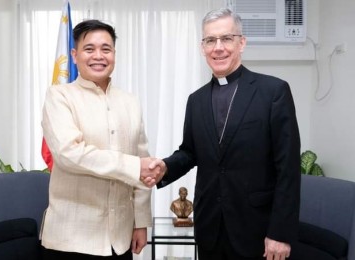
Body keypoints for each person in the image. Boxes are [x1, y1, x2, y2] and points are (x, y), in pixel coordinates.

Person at [146, 8, 301, 260]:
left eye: (226, 38)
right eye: (210, 40)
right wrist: (164, 167)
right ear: (202, 47)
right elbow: (190, 152)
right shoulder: (195, 101)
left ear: (242, 43)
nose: (218, 47)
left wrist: (280, 233)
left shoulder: (273, 92)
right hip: (210, 228)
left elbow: (288, 170)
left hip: (257, 232)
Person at [40, 19, 159, 260]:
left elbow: (142, 159)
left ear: (114, 54)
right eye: (89, 49)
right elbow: (69, 154)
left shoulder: (130, 102)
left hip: (120, 239)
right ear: (74, 55)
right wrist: (135, 166)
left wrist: (141, 222)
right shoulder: (59, 96)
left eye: (106, 49)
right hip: (71, 240)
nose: (98, 56)